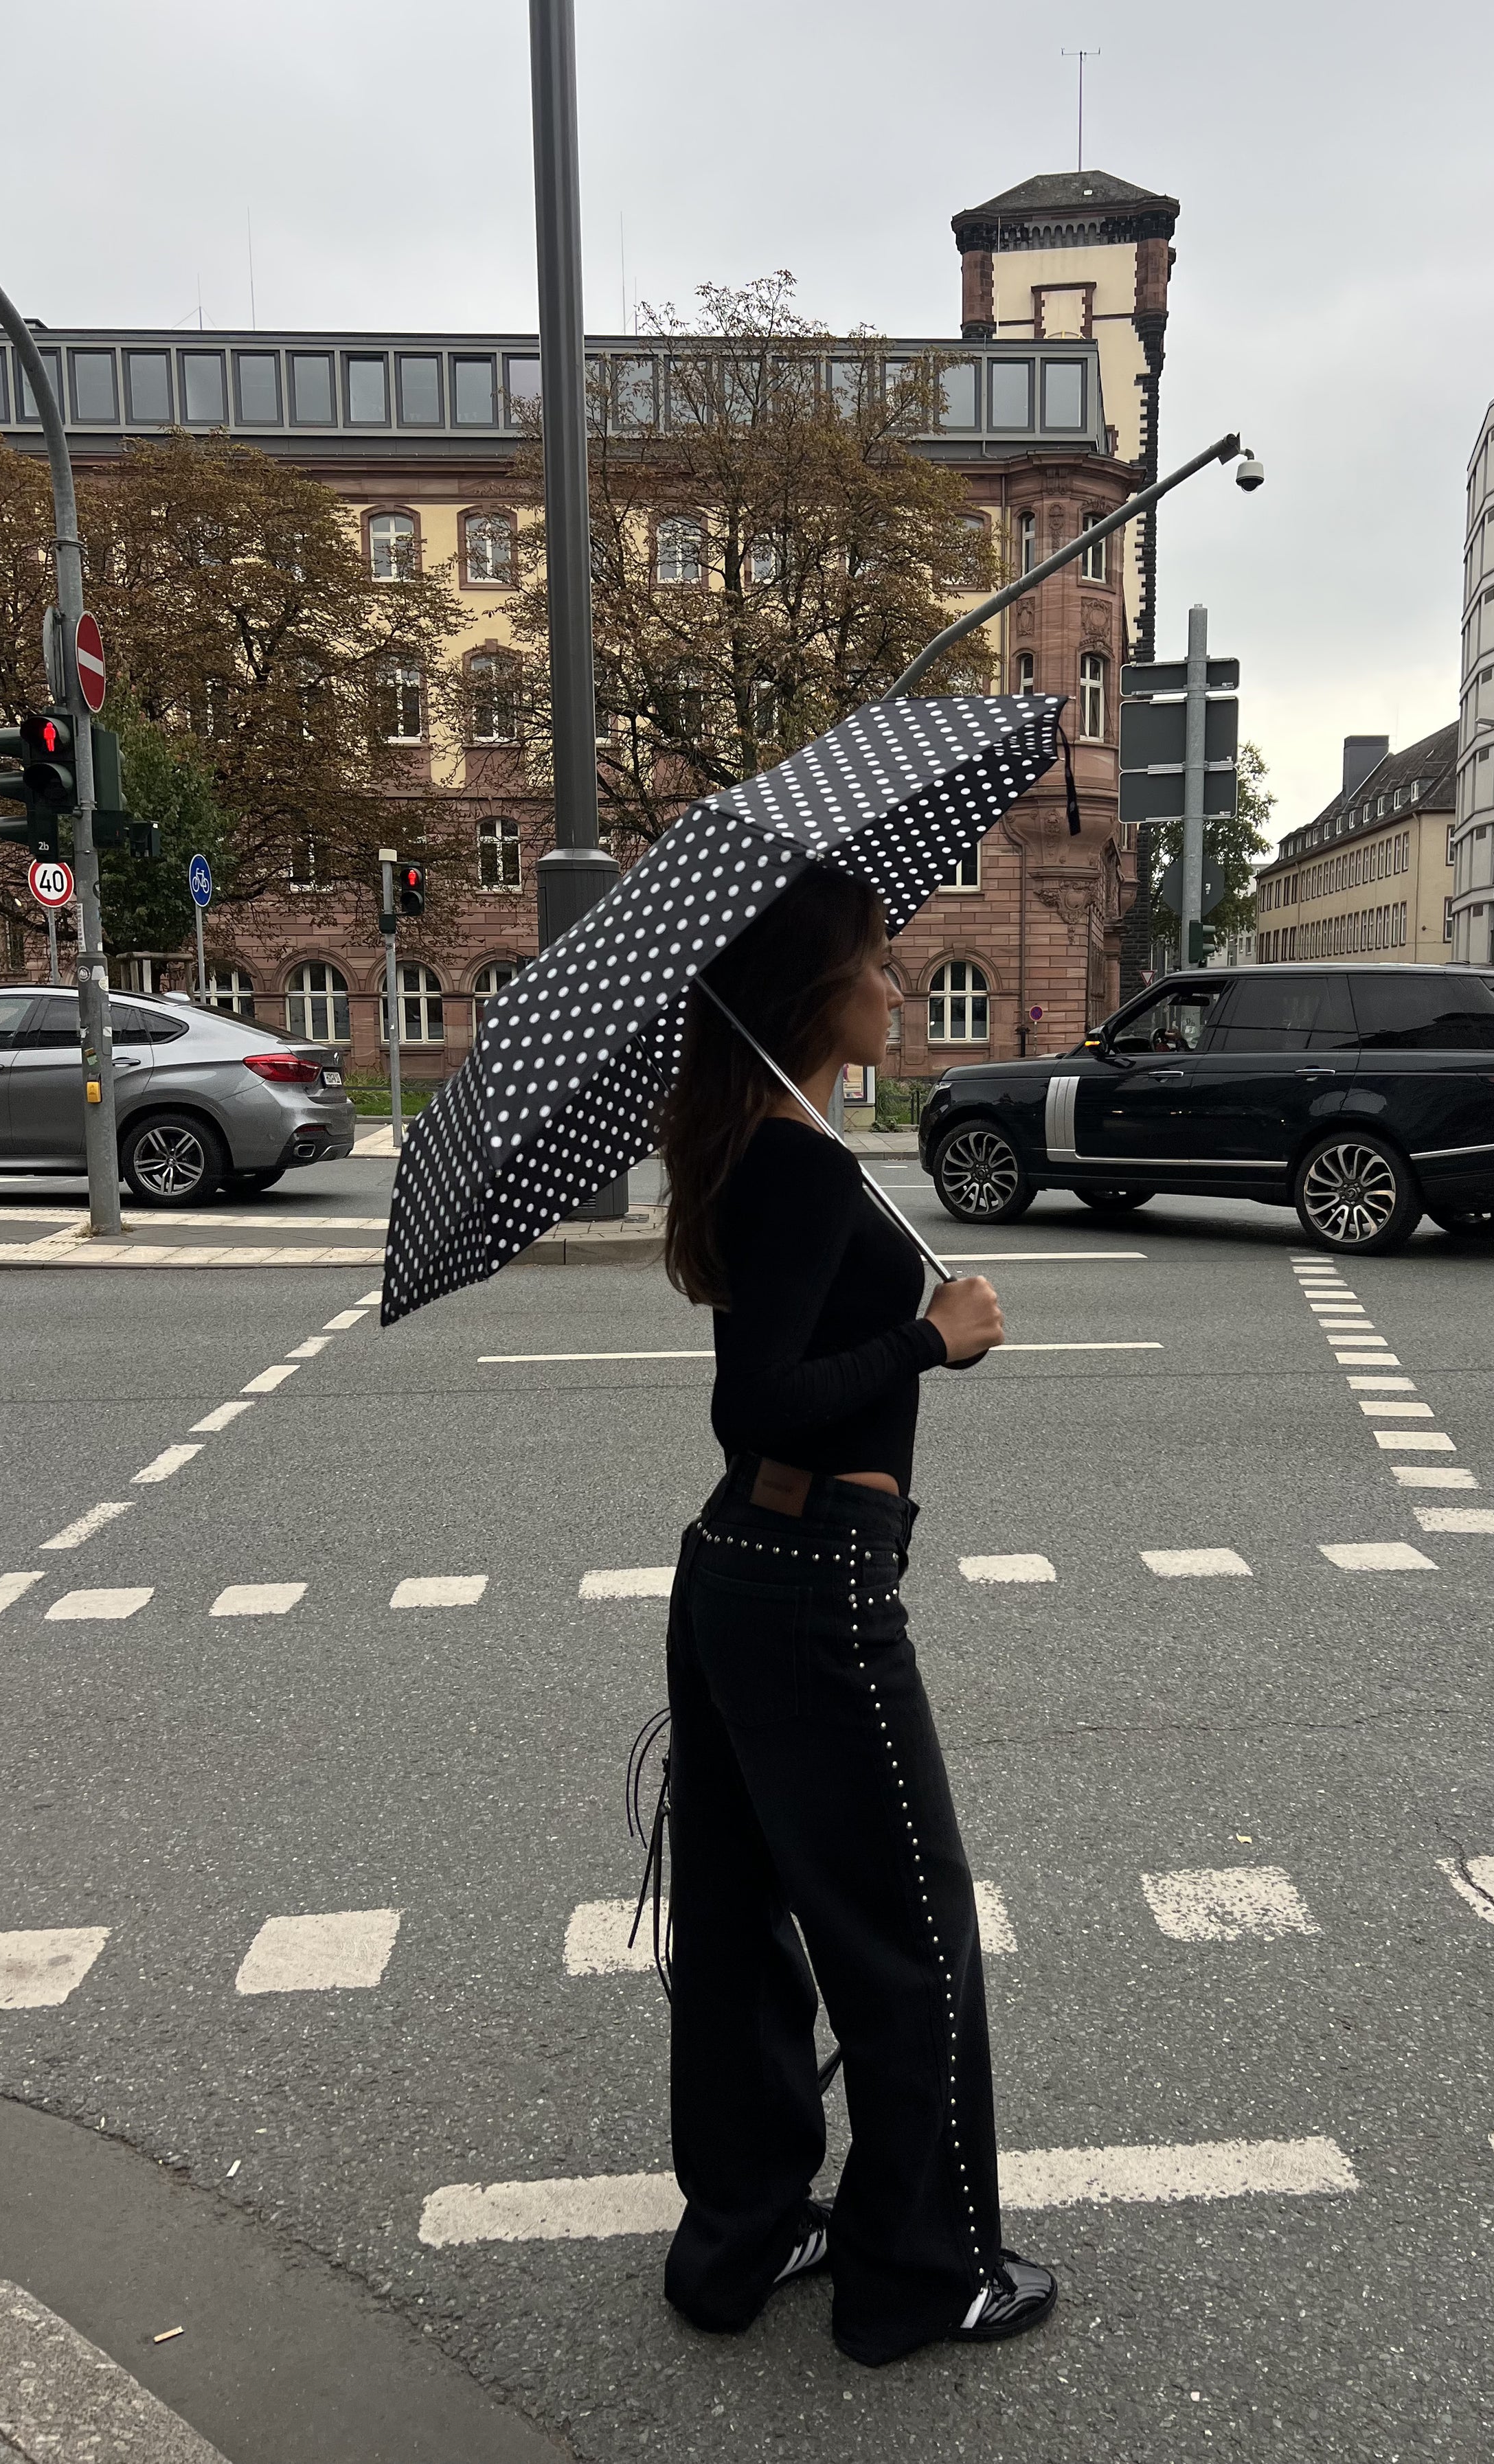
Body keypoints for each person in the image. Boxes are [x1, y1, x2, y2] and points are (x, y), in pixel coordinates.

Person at [655, 864, 1057, 2369]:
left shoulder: (766, 1144)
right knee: (911, 1939)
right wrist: (931, 1338)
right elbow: (754, 1403)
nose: (898, 986)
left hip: (742, 1571)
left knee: (739, 1922)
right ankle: (915, 2276)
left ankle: (743, 2236)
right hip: (811, 1584)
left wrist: (905, 1330)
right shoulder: (802, 1163)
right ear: (808, 992)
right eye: (878, 962)